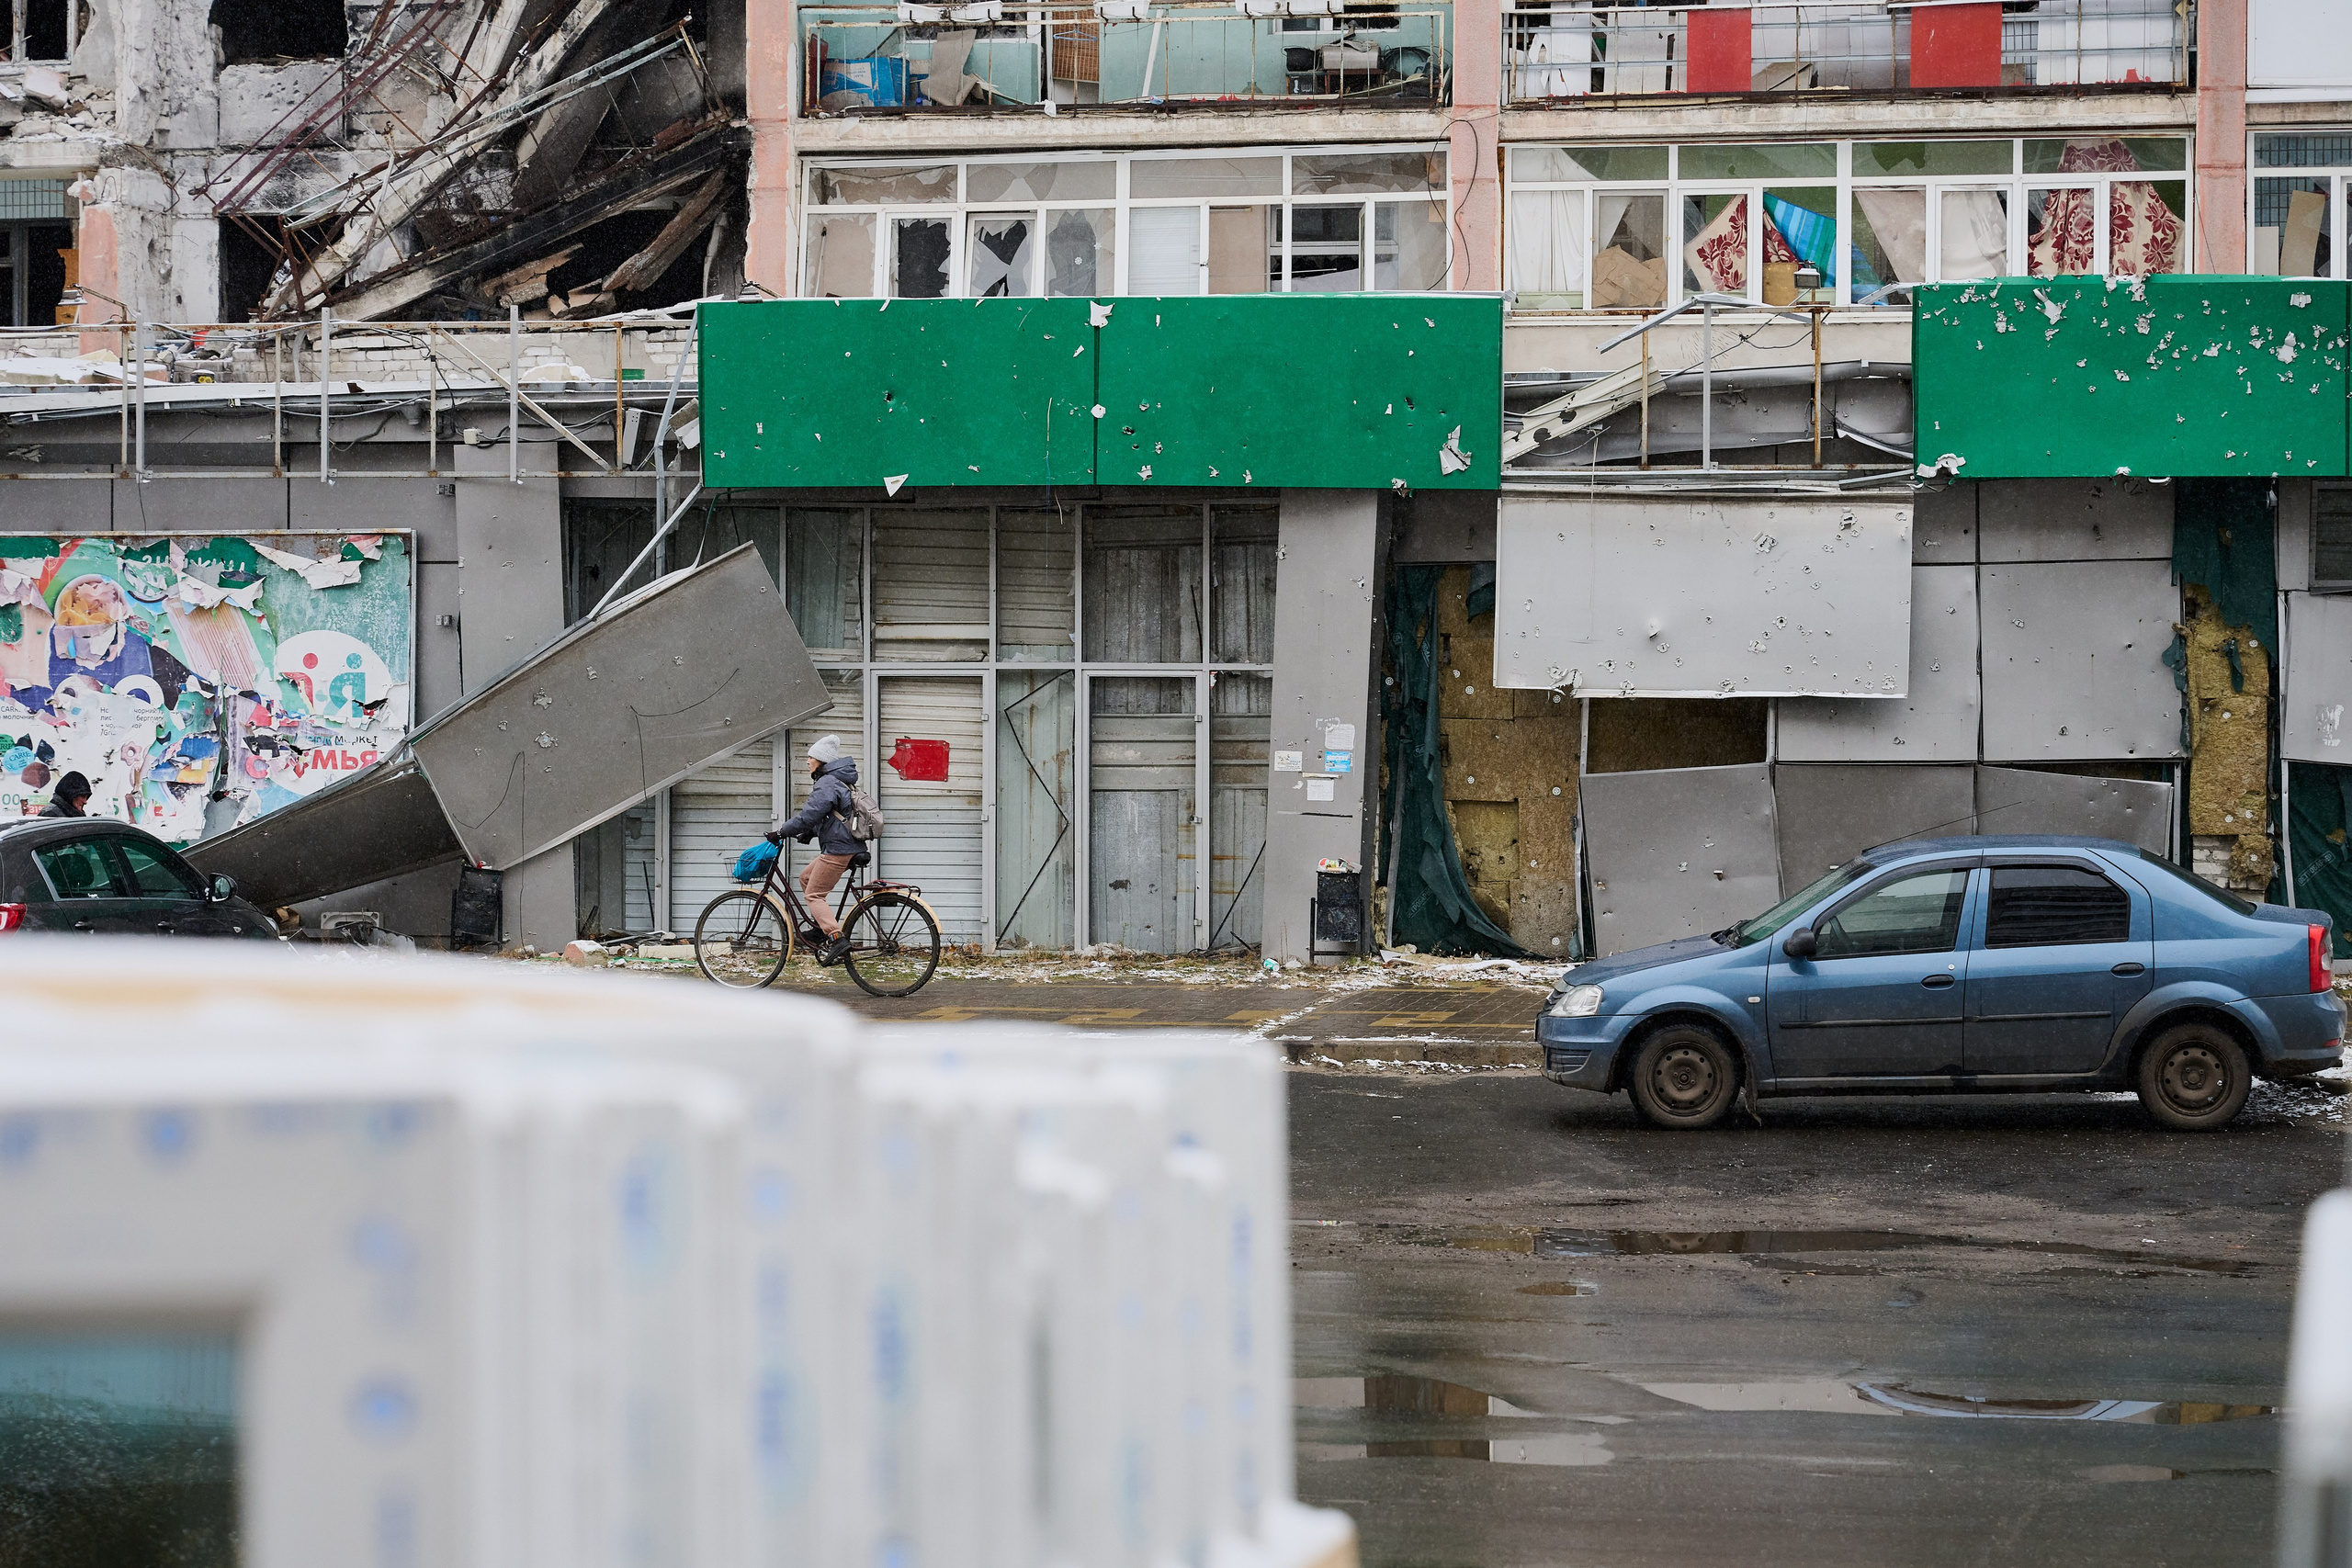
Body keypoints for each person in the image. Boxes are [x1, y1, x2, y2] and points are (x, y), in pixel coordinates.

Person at [766, 735, 863, 964]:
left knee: (814, 895)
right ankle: (821, 929)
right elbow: (831, 815)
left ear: (821, 760)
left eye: (811, 757)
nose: (807, 760)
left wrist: (782, 831)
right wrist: (811, 832)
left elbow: (810, 814)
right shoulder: (836, 780)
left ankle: (836, 938)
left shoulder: (827, 782)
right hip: (843, 845)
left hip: (838, 849)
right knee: (806, 878)